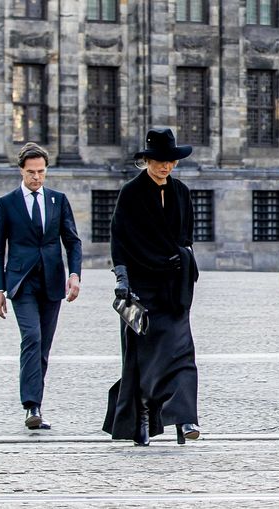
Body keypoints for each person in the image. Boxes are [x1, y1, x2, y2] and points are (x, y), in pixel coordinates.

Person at [103, 127, 200, 446]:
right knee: (142, 359)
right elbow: (118, 241)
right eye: (158, 160)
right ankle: (142, 423)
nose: (165, 166)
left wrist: (182, 260)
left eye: (170, 161)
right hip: (140, 289)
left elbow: (186, 236)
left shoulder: (182, 192)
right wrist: (121, 278)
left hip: (174, 288)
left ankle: (185, 420)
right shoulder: (130, 193)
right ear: (146, 160)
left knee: (182, 353)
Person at [0, 142, 82, 430]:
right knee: (31, 337)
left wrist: (75, 274)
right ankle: (31, 405)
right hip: (21, 282)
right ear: (21, 171)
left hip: (52, 281)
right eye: (31, 172)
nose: (37, 178)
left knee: (43, 345)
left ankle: (36, 405)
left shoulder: (58, 200)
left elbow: (73, 241)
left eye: (41, 172)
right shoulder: (6, 203)